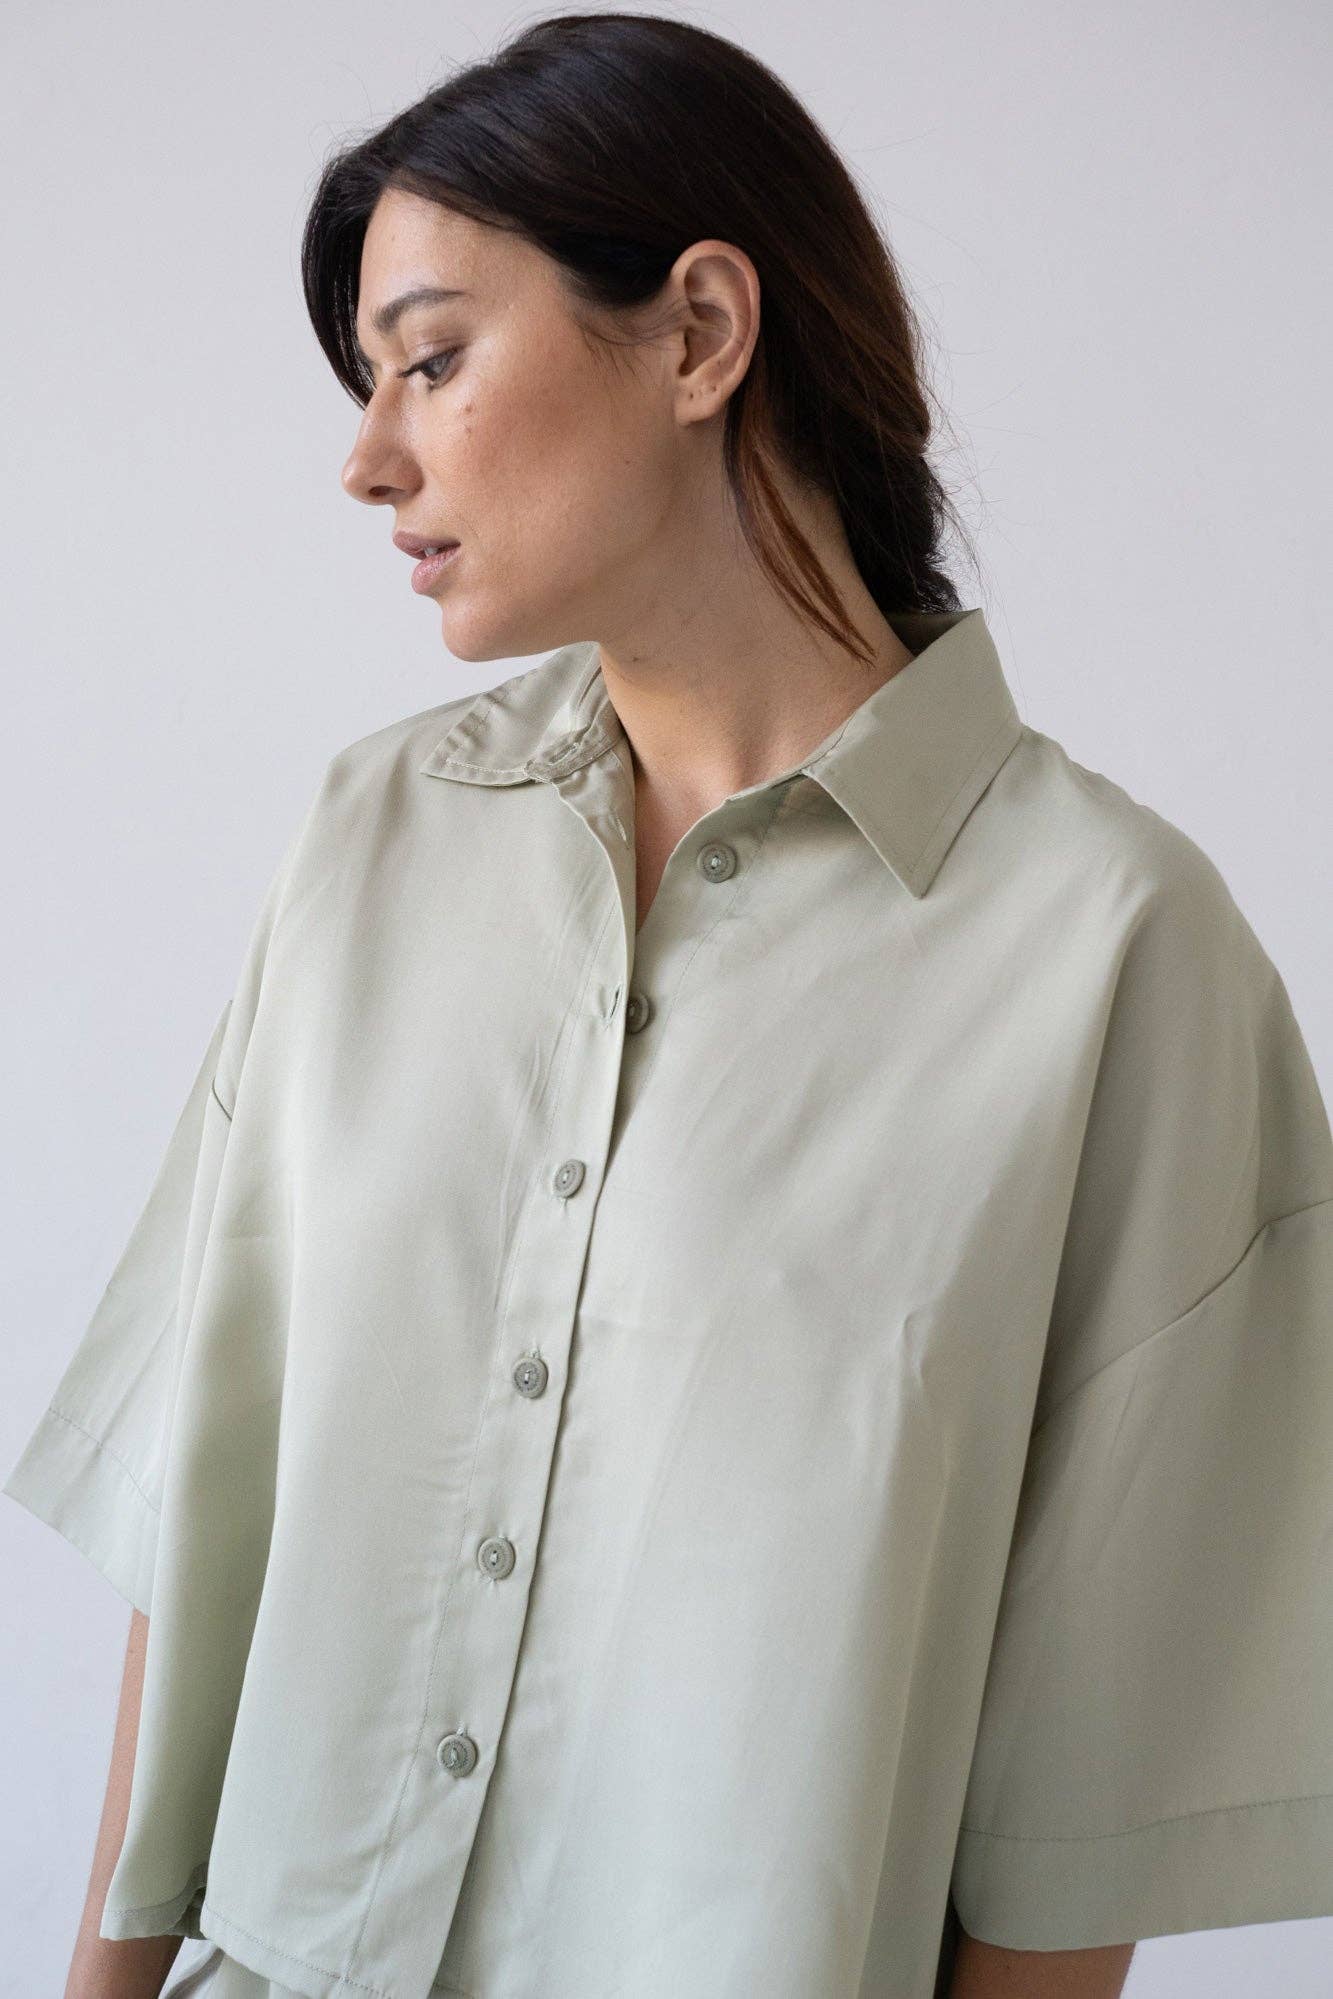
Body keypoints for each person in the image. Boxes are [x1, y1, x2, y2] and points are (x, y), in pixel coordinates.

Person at [8, 14, 1333, 1999]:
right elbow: (206, 1512)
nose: (368, 460)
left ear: (701, 332)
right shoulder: (371, 841)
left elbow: (1088, 1784)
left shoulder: (1119, 960)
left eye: (430, 360)